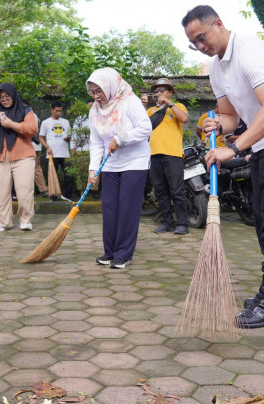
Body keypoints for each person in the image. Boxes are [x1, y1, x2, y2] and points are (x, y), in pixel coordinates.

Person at [182, 5, 264, 328]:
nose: (201, 46)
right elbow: (231, 116)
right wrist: (217, 126)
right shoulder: (216, 69)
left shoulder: (249, 51)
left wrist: (235, 147)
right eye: (193, 43)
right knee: (261, 215)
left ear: (218, 24)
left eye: (202, 37)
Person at [86, 67, 152, 269]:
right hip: (110, 164)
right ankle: (109, 251)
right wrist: (92, 169)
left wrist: (120, 139)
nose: (97, 96)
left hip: (135, 162)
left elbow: (145, 127)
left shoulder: (128, 101)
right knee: (110, 208)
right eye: (93, 92)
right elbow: (96, 142)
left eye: (99, 90)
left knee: (127, 208)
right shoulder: (94, 111)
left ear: (110, 86)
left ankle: (123, 253)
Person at [0, 83, 38, 231]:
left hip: (23, 156)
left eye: (7, 96)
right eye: (1, 97)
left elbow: (32, 129)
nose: (4, 99)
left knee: (24, 191)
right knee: (0, 192)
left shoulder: (25, 110)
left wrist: (12, 125)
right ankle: (4, 222)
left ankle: (25, 220)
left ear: (13, 95)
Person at [144, 78, 189, 235]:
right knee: (161, 191)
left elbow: (184, 118)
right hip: (154, 154)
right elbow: (142, 128)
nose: (159, 93)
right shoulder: (151, 111)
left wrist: (169, 103)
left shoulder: (178, 107)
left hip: (173, 154)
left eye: (163, 90)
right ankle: (167, 222)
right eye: (157, 90)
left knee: (177, 190)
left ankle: (182, 223)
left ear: (170, 92)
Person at [40, 100, 74, 202]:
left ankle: (67, 195)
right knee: (52, 176)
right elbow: (41, 137)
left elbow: (70, 136)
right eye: (57, 111)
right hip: (52, 154)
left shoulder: (66, 122)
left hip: (65, 153)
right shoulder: (46, 122)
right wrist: (47, 147)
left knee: (69, 175)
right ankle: (53, 197)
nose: (59, 113)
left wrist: (68, 139)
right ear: (52, 110)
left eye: (60, 111)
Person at [32, 112, 49, 198]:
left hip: (32, 146)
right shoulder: (34, 115)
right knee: (36, 168)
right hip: (35, 146)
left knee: (35, 169)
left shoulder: (29, 114)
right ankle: (43, 189)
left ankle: (43, 189)